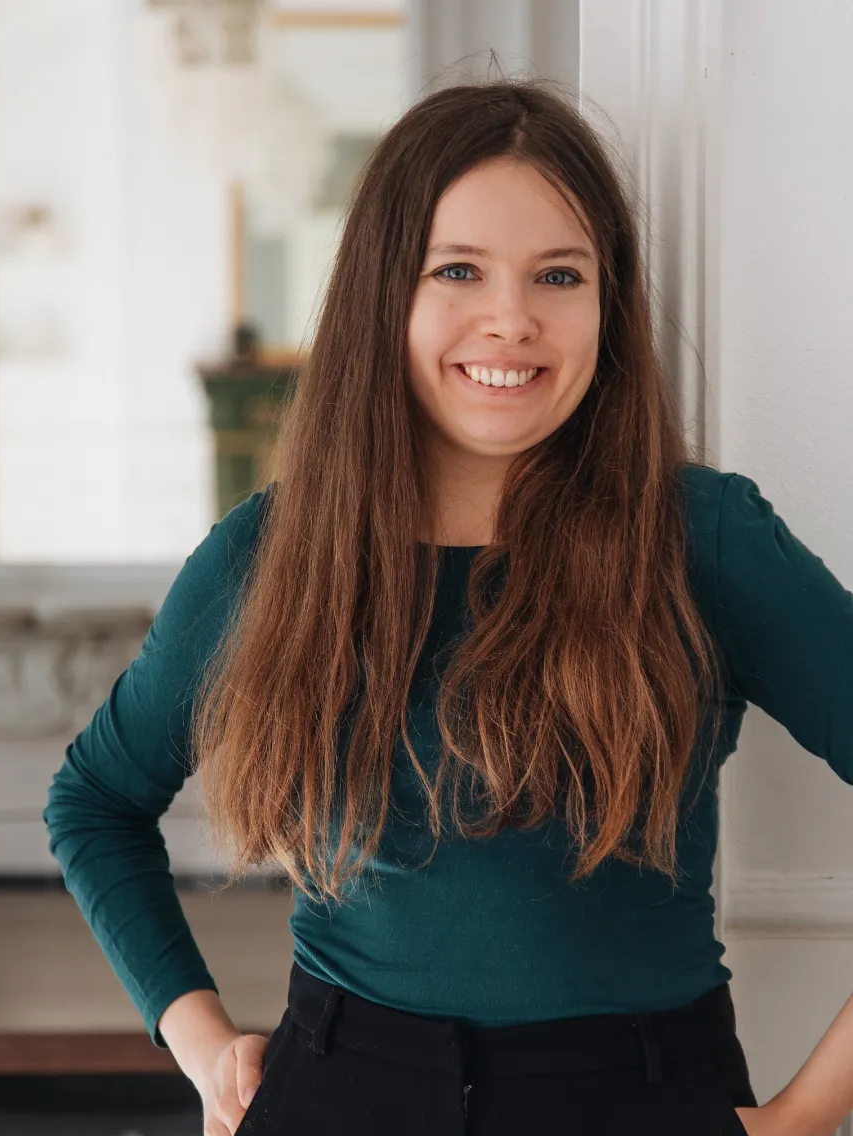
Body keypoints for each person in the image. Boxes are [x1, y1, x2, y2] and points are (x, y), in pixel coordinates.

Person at [43, 79, 853, 1136]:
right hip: (336, 1087)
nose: (511, 318)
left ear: (607, 305)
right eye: (458, 269)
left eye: (557, 275)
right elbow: (94, 798)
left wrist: (800, 1116)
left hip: (638, 1091)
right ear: (386, 293)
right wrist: (201, 1042)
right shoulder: (270, 553)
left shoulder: (699, 537)